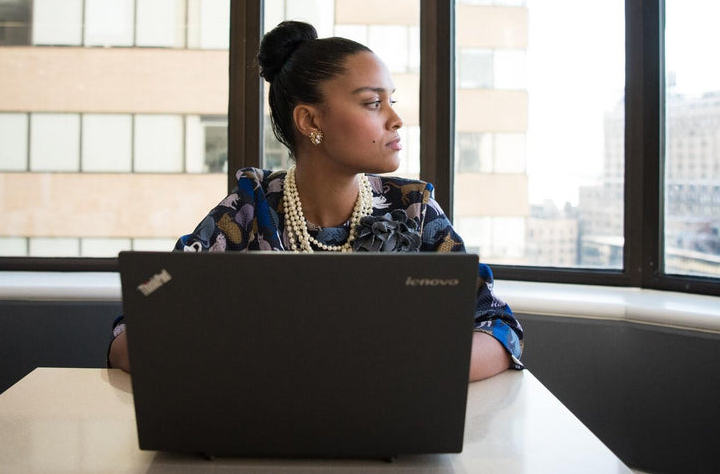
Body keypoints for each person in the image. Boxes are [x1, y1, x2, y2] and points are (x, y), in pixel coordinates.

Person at [108, 20, 523, 381]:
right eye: (372, 103)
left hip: (388, 433)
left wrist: (409, 368)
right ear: (310, 121)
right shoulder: (249, 209)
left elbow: (499, 327)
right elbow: (135, 322)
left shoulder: (414, 210)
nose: (396, 119)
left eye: (391, 101)